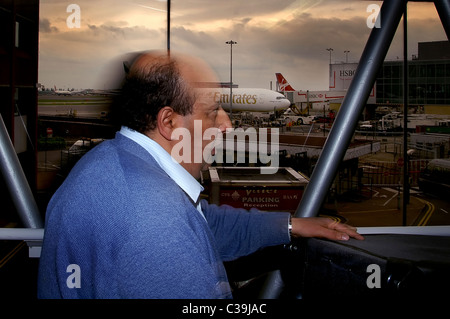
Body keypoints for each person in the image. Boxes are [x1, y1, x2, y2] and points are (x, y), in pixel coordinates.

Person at [37, 51, 363, 299]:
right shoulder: (156, 220)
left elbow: (204, 223)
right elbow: (176, 233)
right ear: (169, 123)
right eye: (211, 113)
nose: (227, 125)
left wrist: (291, 225)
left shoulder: (113, 161)